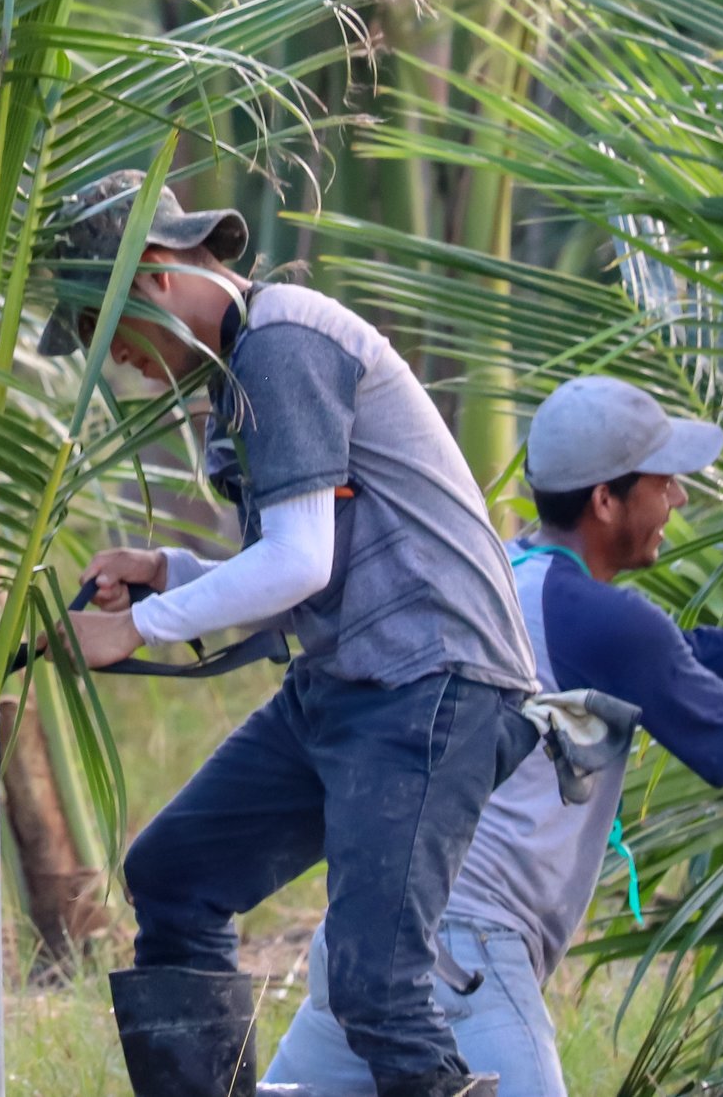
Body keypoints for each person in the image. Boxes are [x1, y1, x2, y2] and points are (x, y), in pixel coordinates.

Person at [262, 374, 723, 1097]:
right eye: (663, 484)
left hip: (361, 934)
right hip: (461, 953)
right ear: (606, 499)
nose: (679, 500)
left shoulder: (511, 575)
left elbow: (692, 662)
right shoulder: (598, 621)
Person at [41, 171, 544, 1097]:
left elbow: (299, 563)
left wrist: (141, 627)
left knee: (375, 980)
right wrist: (169, 571)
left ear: (153, 277)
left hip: (430, 686)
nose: (119, 363)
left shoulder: (282, 341)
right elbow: (305, 562)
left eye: (106, 332)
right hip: (350, 687)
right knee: (176, 874)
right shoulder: (242, 366)